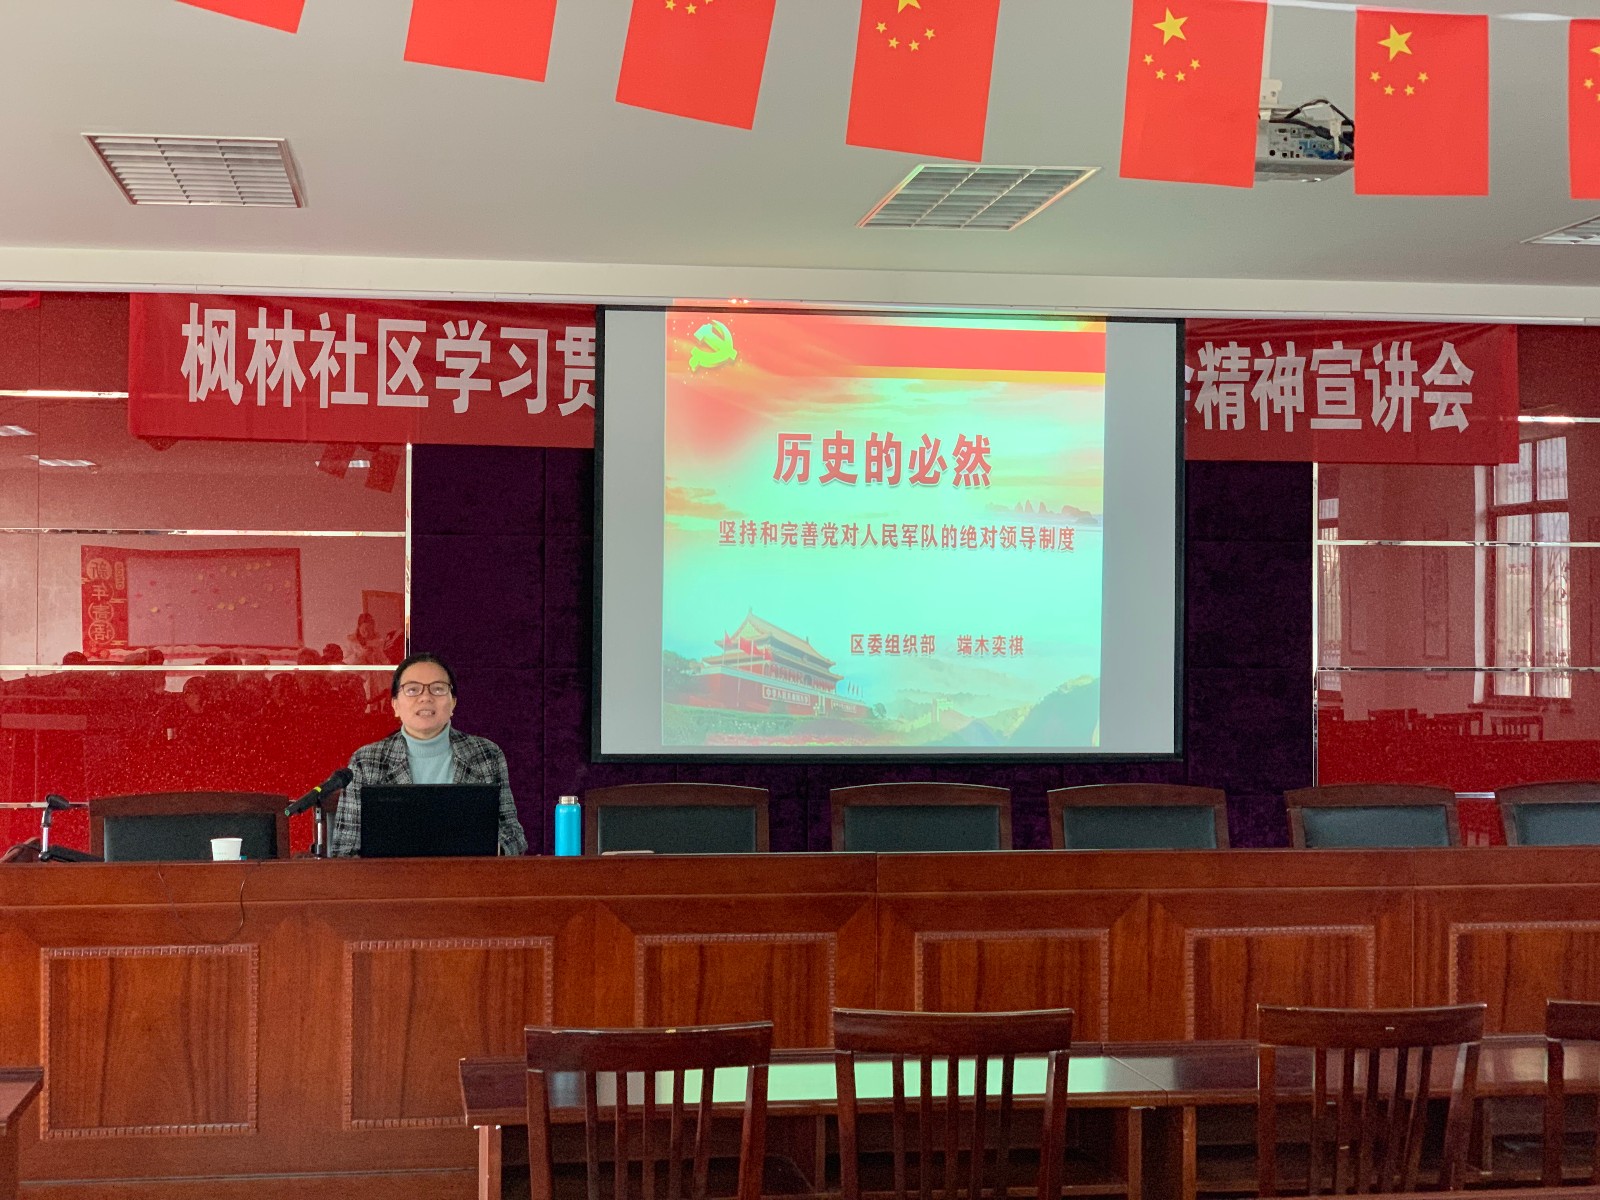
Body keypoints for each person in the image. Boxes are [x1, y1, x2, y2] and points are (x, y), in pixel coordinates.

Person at [328, 652, 527, 857]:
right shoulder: (366, 761)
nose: (425, 697)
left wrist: (487, 850)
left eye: (438, 689)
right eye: (412, 689)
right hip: (392, 877)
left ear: (453, 702)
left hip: (467, 875)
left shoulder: (486, 755)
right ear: (395, 705)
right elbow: (344, 851)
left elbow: (514, 836)